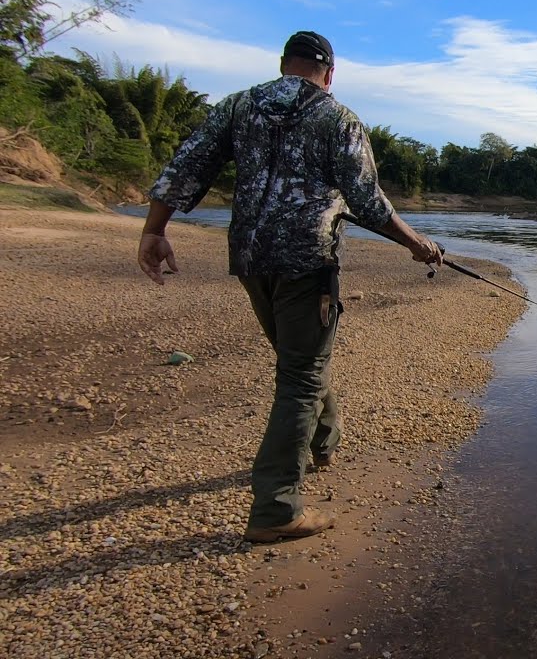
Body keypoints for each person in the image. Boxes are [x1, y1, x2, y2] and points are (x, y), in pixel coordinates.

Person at [137, 30, 442, 543]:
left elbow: (185, 167)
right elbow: (366, 201)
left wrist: (154, 228)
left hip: (251, 257)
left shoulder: (239, 106)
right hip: (306, 261)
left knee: (300, 359)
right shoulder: (337, 118)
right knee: (300, 375)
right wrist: (416, 244)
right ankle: (276, 508)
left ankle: (324, 442)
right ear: (330, 72)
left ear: (284, 64)